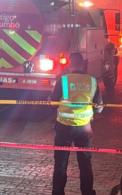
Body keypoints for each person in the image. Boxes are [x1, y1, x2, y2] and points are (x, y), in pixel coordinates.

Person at [49, 53, 103, 195]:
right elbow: (99, 107)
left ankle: (58, 192)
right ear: (83, 64)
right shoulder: (92, 81)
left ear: (69, 65)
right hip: (85, 128)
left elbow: (54, 103)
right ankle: (87, 192)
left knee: (61, 163)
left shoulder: (63, 80)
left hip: (64, 127)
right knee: (85, 163)